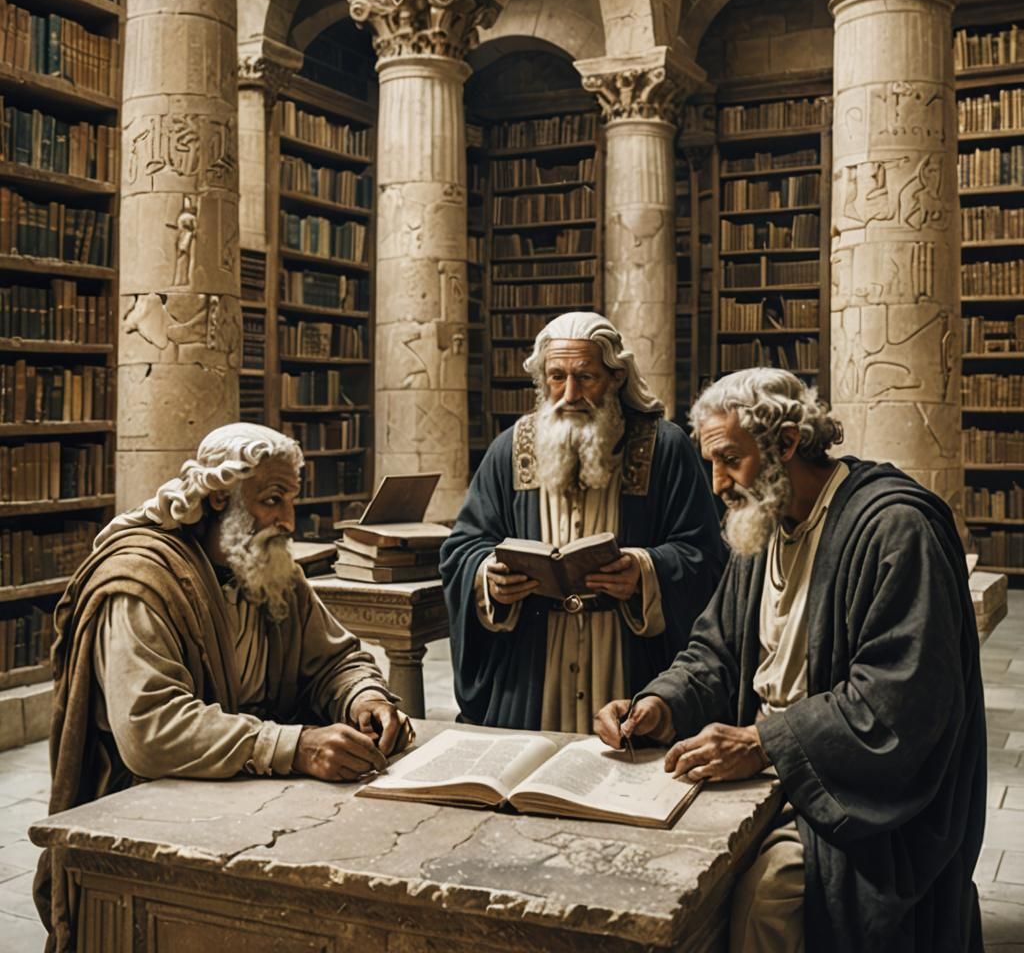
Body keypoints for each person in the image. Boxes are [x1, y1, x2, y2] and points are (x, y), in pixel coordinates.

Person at [594, 368, 986, 952]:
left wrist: (764, 743)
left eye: (731, 460)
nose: (718, 483)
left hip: (856, 791)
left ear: (786, 444)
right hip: (776, 763)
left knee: (770, 891)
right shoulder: (764, 525)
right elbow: (715, 652)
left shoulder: (894, 528)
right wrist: (660, 702)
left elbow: (898, 701)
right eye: (711, 463)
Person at [35, 423, 412, 952]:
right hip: (148, 819)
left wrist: (363, 696)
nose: (286, 520)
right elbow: (151, 730)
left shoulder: (270, 565)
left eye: (290, 500)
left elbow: (335, 659)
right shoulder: (143, 581)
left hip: (251, 802)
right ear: (218, 499)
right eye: (271, 501)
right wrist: (294, 745)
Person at [440, 311, 726, 732]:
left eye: (586, 377)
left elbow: (704, 553)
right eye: (557, 377)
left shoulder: (664, 448)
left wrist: (645, 572)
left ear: (615, 378)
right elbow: (462, 548)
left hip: (629, 662)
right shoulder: (510, 449)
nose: (569, 393)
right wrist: (488, 578)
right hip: (533, 665)